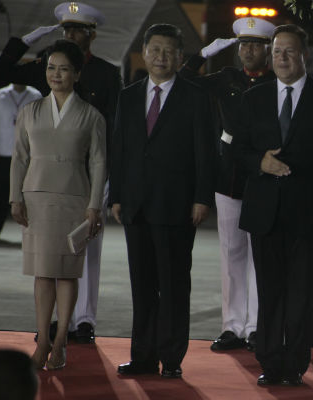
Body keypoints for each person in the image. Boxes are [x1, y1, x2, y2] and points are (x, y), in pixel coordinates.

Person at [0, 1, 122, 344]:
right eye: (67, 29)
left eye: (78, 30)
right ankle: (57, 323)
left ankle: (84, 320)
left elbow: (114, 132)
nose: (72, 34)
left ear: (92, 35)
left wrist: (110, 185)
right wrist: (24, 41)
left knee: (84, 252)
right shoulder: (45, 65)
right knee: (47, 262)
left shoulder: (108, 74)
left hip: (89, 173)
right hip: (45, 183)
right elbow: (1, 73)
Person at [236, 24, 313, 386]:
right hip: (264, 211)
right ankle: (269, 360)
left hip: (308, 214)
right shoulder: (253, 98)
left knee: (301, 294)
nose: (282, 57)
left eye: (289, 51)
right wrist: (258, 163)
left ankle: (295, 363)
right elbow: (234, 151)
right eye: (277, 51)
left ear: (305, 56)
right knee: (269, 292)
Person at [110, 23, 215, 379]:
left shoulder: (196, 97)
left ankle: (171, 358)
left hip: (177, 205)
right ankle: (142, 356)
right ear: (144, 52)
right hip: (136, 205)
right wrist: (117, 196)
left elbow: (206, 152)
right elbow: (120, 150)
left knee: (172, 285)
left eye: (168, 51)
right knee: (141, 285)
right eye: (154, 50)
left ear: (179, 57)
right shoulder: (128, 96)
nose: (160, 57)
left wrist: (202, 198)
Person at [180, 17, 276, 353]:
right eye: (243, 45)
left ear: (268, 49)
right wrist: (202, 54)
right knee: (231, 253)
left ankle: (255, 327)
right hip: (230, 175)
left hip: (263, 174)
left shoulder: (276, 81)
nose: (249, 51)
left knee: (258, 255)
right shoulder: (227, 78)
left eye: (256, 45)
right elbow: (182, 84)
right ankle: (232, 326)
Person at [9, 39, 106, 370]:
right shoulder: (29, 112)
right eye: (51, 67)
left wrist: (95, 205)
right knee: (42, 274)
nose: (56, 74)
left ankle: (62, 339)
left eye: (64, 69)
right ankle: (43, 340)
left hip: (74, 201)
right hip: (36, 199)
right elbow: (19, 158)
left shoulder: (91, 115)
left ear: (77, 74)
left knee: (66, 274)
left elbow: (98, 163)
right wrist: (14, 197)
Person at [0, 84, 41, 246]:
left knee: (30, 196)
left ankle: (31, 234)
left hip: (29, 153)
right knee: (1, 196)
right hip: (3, 152)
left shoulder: (35, 95)